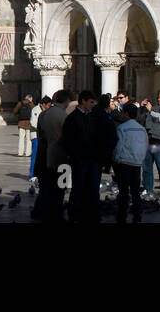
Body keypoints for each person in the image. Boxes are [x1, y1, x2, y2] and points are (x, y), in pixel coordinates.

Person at [61, 91, 104, 223]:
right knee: (78, 188)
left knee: (93, 188)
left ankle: (91, 214)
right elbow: (68, 140)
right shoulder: (73, 118)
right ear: (83, 101)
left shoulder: (92, 117)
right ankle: (75, 215)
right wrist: (75, 154)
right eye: (91, 102)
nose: (93, 105)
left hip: (93, 160)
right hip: (79, 160)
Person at [35, 89, 73, 223]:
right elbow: (68, 137)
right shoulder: (64, 116)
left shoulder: (43, 114)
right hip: (60, 157)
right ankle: (56, 214)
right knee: (59, 188)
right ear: (67, 101)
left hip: (44, 155)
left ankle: (40, 211)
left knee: (45, 186)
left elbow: (39, 134)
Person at [112, 102, 147, 223]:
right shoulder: (142, 129)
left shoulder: (122, 128)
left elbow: (119, 146)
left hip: (124, 163)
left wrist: (116, 160)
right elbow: (145, 146)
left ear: (126, 114)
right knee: (135, 191)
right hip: (137, 164)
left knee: (123, 192)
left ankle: (122, 215)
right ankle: (137, 215)